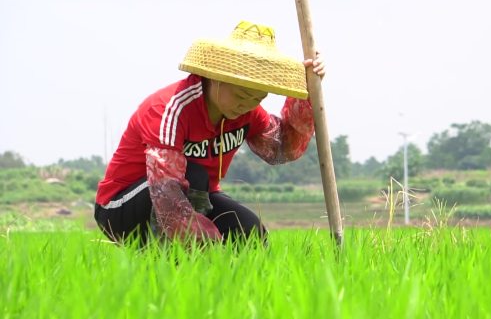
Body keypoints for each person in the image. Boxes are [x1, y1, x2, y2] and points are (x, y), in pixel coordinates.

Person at [94, 20, 325, 246]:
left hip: (195, 197)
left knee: (249, 231)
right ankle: (172, 265)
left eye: (258, 98)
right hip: (122, 208)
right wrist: (209, 247)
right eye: (241, 95)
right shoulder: (170, 109)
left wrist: (306, 93)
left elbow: (281, 149)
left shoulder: (248, 112)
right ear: (216, 77)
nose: (247, 105)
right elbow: (167, 193)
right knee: (195, 175)